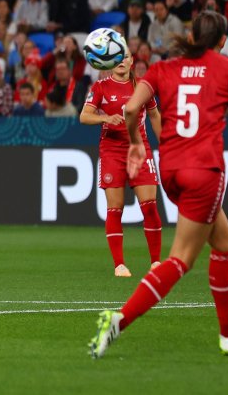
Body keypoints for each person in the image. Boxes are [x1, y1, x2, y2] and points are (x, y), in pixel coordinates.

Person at [90, 11, 228, 358]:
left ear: (191, 36)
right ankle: (118, 319)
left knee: (225, 242)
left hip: (171, 169)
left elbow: (130, 110)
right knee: (181, 259)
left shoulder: (161, 69)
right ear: (221, 41)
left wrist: (137, 143)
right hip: (203, 170)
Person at [80, 40, 163, 277]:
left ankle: (156, 262)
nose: (122, 61)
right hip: (112, 149)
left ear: (132, 62)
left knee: (149, 206)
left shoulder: (143, 87)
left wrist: (166, 143)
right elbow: (84, 116)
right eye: (118, 57)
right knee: (115, 208)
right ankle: (119, 264)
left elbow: (155, 115)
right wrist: (105, 119)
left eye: (126, 57)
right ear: (111, 61)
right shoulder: (100, 87)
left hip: (140, 147)